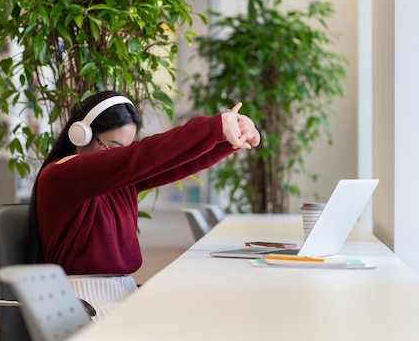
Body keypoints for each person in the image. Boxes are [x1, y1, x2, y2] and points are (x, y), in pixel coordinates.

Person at [26, 90, 261, 320]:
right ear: (82, 135)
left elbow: (177, 164)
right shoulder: (63, 174)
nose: (118, 156)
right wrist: (215, 126)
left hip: (121, 295)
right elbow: (146, 155)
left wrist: (230, 139)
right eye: (113, 148)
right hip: (82, 303)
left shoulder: (116, 182)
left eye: (125, 149)